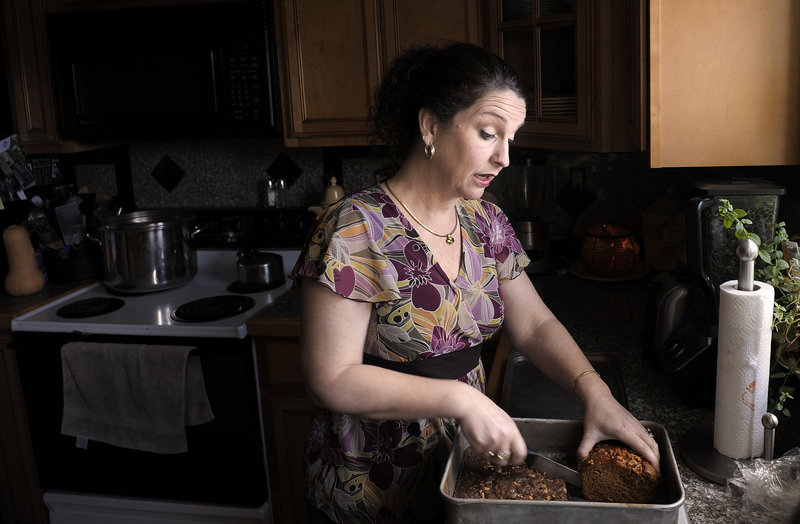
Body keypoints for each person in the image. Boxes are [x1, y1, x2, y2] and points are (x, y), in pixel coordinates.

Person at [291, 42, 660, 523]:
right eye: (489, 133)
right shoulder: (354, 228)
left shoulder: (486, 222)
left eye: (512, 138)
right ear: (430, 126)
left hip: (463, 467)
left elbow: (535, 325)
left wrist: (596, 393)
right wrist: (461, 398)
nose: (505, 157)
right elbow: (330, 379)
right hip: (370, 484)